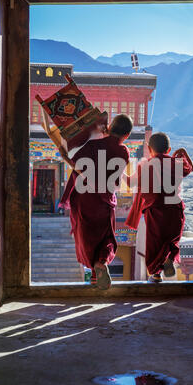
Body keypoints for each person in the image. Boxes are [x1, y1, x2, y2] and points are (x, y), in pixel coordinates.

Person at [59, 114, 132, 290]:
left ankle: (95, 272)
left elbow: (78, 168)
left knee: (87, 238)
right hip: (105, 201)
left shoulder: (91, 145)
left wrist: (64, 157)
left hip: (85, 201)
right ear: (127, 136)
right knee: (106, 237)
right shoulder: (123, 152)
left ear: (109, 127)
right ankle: (101, 263)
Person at [124, 132, 193, 283]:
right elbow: (189, 168)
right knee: (172, 240)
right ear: (168, 150)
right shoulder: (176, 163)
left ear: (149, 149)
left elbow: (130, 183)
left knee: (155, 244)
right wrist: (181, 152)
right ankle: (169, 258)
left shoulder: (145, 165)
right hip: (176, 210)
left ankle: (156, 274)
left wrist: (121, 172)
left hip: (156, 211)